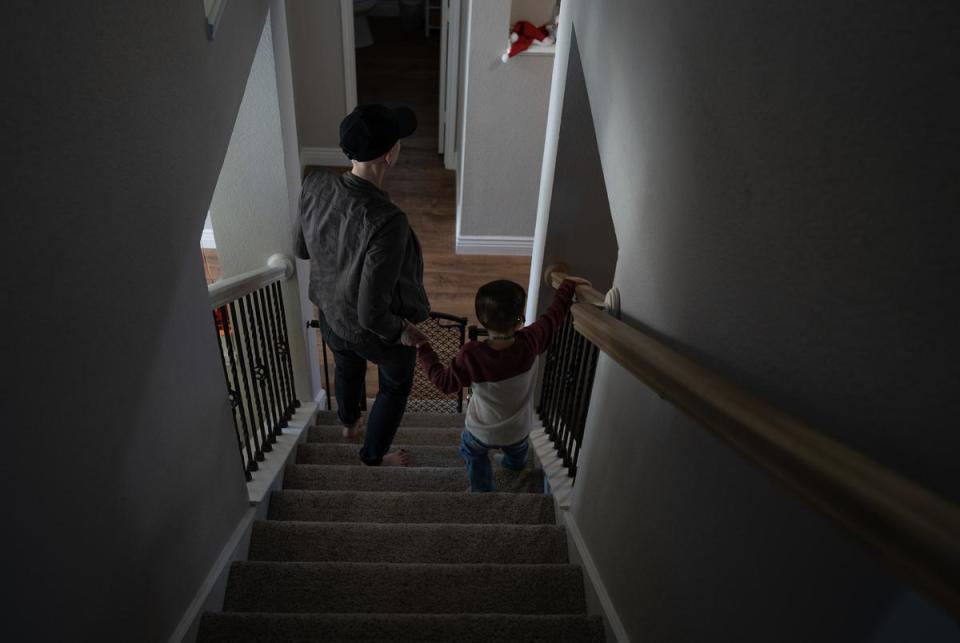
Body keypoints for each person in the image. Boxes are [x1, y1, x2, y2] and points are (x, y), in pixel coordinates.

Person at [295, 104, 430, 466]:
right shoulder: (388, 221)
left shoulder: (314, 182)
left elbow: (301, 248)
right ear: (389, 156)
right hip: (370, 330)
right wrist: (402, 331)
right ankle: (374, 455)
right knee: (396, 384)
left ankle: (348, 424)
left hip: (330, 314)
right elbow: (371, 313)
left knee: (347, 365)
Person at [411, 275, 589, 491]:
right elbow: (553, 317)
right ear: (519, 320)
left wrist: (423, 347)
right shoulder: (532, 341)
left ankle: (482, 490)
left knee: (472, 452)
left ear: (482, 320)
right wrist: (567, 287)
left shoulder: (472, 355)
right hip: (518, 431)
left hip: (480, 431)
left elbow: (444, 383)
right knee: (518, 451)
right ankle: (514, 467)